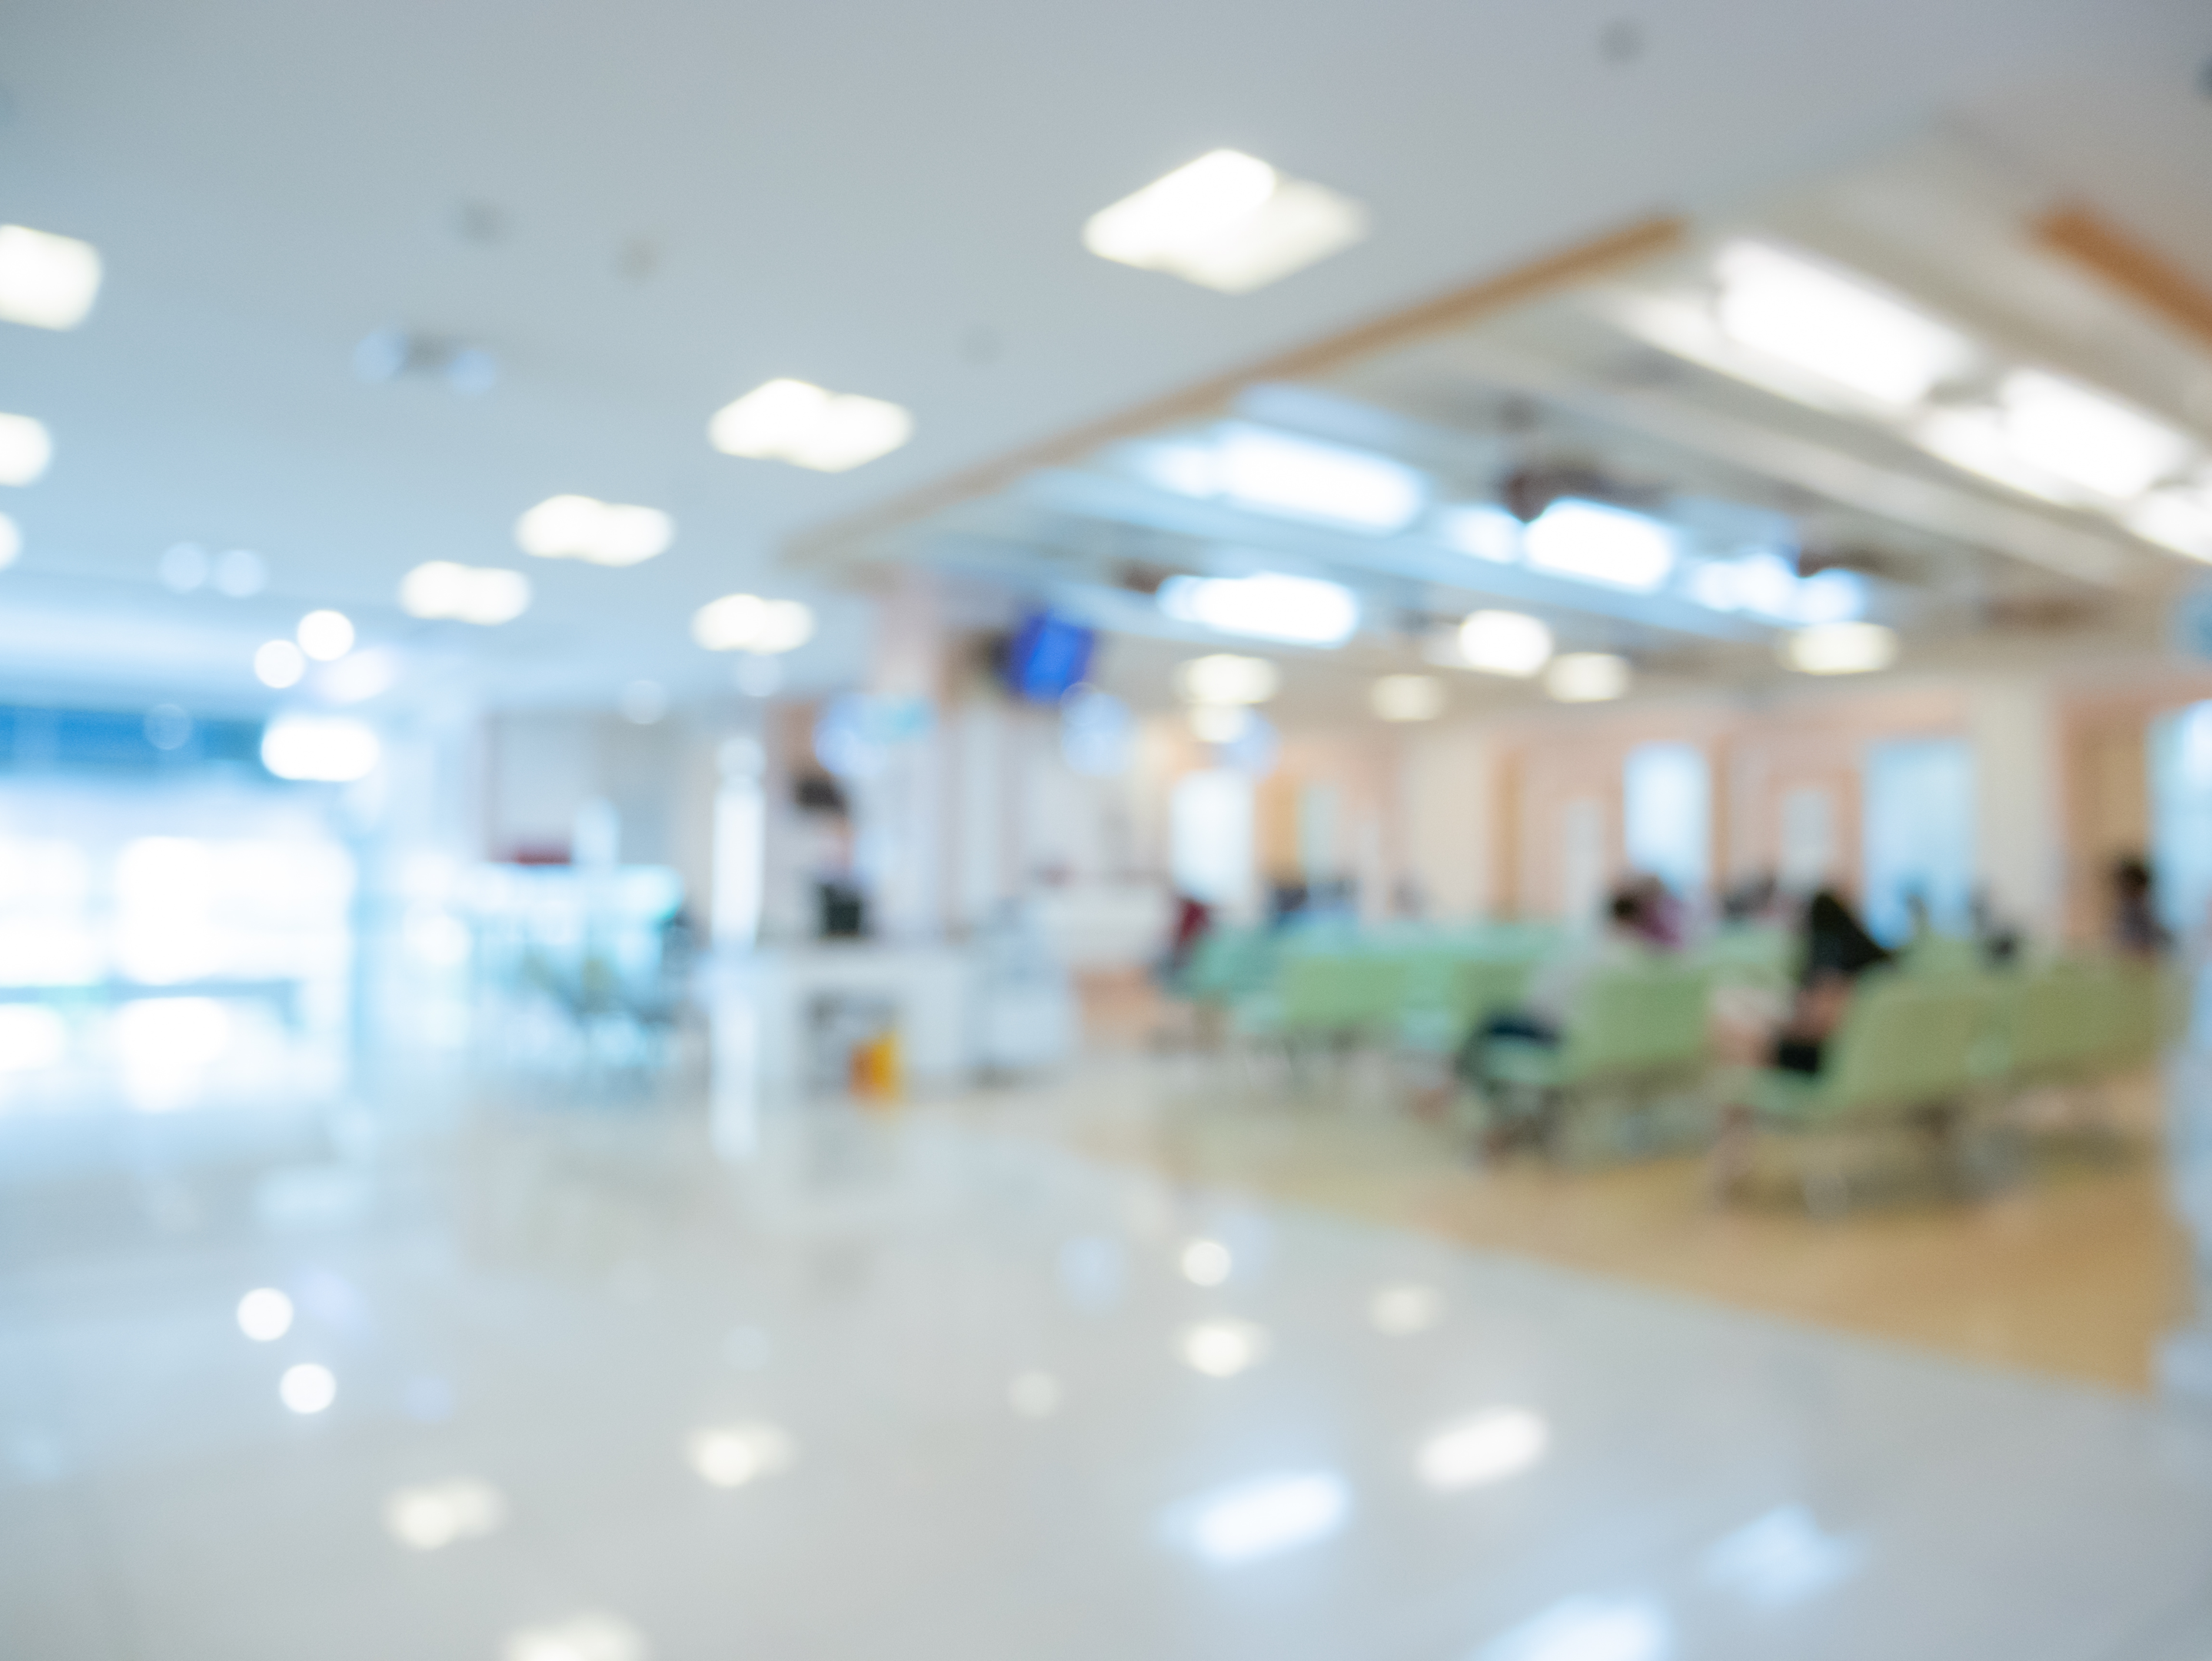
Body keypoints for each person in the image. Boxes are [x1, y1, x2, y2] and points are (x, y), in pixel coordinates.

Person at [1770, 887, 1893, 1073]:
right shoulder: (1883, 970)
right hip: (1878, 1066)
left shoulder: (1831, 969)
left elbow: (1814, 1024)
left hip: (1835, 1065)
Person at [2111, 855, 2169, 960]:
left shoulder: (2139, 911)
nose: (2120, 889)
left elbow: (2142, 945)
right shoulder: (2129, 909)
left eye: (2124, 884)